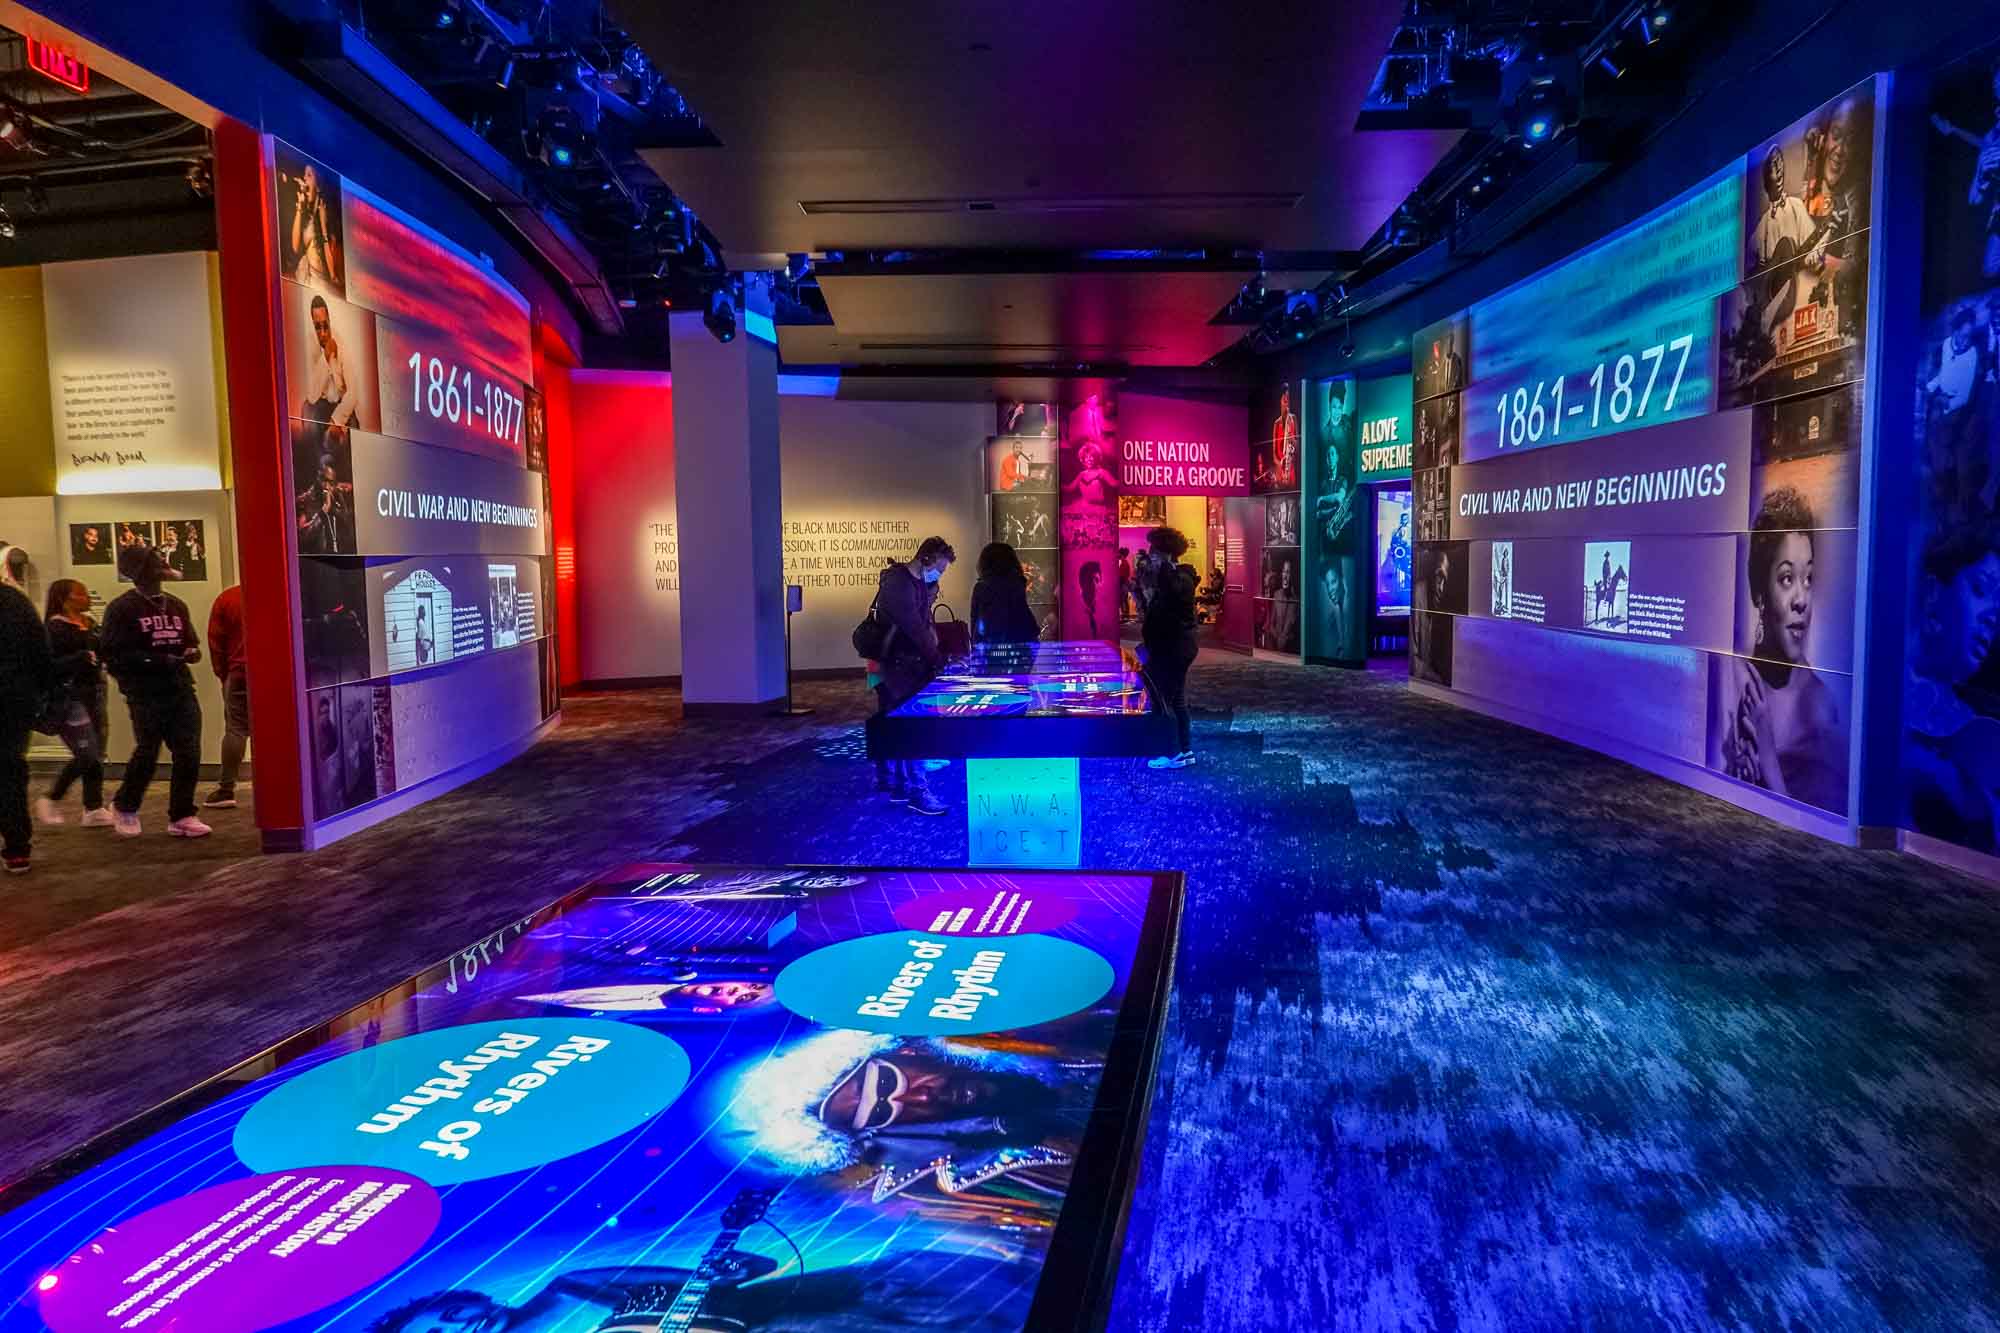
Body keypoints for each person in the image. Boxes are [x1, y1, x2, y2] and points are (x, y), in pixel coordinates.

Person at [1720, 490, 1848, 811]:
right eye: (1787, 578)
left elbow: (1813, 832)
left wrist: (1765, 754)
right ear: (1760, 593)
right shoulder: (1732, 680)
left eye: (1808, 579)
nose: (1801, 599)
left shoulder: (1820, 707)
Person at [101, 544, 209, 838]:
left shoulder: (175, 604)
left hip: (180, 688)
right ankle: (125, 805)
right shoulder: (122, 608)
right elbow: (113, 656)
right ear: (140, 571)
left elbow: (190, 640)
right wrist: (158, 660)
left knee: (188, 752)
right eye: (155, 563)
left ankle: (182, 814)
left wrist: (191, 652)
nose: (162, 566)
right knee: (147, 752)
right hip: (145, 692)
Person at [1905, 521, 2000, 849]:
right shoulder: (1884, 692)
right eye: (1979, 590)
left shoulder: (1979, 724)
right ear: (1933, 591)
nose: (1992, 616)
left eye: (1998, 606)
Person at [870, 536, 955, 815]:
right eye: (939, 568)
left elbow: (922, 625)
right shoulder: (898, 583)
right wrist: (938, 660)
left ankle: (902, 784)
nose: (939, 574)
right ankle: (916, 789)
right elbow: (916, 628)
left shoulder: (916, 583)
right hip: (897, 666)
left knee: (905, 725)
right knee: (913, 726)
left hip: (907, 665)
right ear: (926, 558)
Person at [39, 579, 112, 829]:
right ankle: (52, 797)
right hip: (71, 697)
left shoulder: (89, 624)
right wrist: (80, 658)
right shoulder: (54, 629)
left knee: (97, 752)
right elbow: (49, 667)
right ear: (65, 598)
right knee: (87, 752)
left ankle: (93, 807)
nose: (86, 597)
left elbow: (101, 652)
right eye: (79, 593)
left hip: (95, 692)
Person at [0, 570, 52, 874]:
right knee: (10, 769)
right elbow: (40, 650)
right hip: (14, 699)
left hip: (15, 696)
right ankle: (17, 846)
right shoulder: (13, 601)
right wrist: (42, 695)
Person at [1142, 527, 1200, 770]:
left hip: (1174, 648)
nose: (1149, 554)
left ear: (1165, 553)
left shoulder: (1180, 578)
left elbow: (1171, 596)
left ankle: (1171, 751)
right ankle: (1183, 750)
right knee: (1175, 700)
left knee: (1163, 699)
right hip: (1170, 647)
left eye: (1153, 551)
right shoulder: (1171, 577)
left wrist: (1162, 568)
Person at [205, 583, 249, 809]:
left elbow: (216, 641)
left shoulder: (228, 598)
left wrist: (223, 674)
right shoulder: (282, 591)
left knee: (236, 729)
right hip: (277, 673)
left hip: (239, 671)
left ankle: (226, 789)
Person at [301, 294, 358, 442]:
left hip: (341, 404)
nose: (323, 333)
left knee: (353, 427)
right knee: (307, 410)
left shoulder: (342, 343)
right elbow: (312, 396)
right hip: (322, 405)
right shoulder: (310, 343)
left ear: (329, 320)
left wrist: (336, 421)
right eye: (318, 327)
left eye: (325, 325)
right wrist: (325, 358)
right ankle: (320, 463)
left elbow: (353, 392)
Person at [1752, 143, 1816, 270]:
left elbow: (1813, 247)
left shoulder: (1796, 206)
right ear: (1766, 179)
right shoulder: (1761, 227)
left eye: (1781, 163)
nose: (1780, 170)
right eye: (1774, 166)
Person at [970, 542, 1039, 645]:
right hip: (1022, 647)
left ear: (985, 563)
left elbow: (977, 626)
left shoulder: (982, 588)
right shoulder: (1017, 584)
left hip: (993, 651)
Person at [1116, 547, 1134, 622]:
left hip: (1122, 584)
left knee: (1123, 600)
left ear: (1121, 554)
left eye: (1119, 553)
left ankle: (1125, 616)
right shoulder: (1123, 562)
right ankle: (1125, 616)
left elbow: (1122, 576)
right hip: (1124, 584)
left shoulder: (1123, 563)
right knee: (1124, 600)